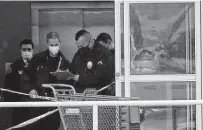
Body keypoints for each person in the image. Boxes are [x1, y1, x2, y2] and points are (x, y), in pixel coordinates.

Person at [26, 32, 72, 130]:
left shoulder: (65, 62)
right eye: (51, 45)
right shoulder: (38, 59)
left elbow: (69, 83)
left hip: (55, 104)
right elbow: (27, 76)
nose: (54, 47)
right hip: (38, 101)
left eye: (56, 44)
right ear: (47, 44)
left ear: (60, 43)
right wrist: (31, 89)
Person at [70, 30, 114, 94]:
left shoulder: (104, 54)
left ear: (90, 42)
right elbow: (73, 68)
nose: (79, 49)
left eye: (82, 46)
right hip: (79, 94)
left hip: (98, 95)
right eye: (78, 47)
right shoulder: (79, 53)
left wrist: (81, 78)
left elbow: (102, 77)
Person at [4, 39, 34, 129]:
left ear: (33, 50)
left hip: (35, 103)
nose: (26, 52)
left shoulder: (38, 64)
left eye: (29, 49)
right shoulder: (14, 66)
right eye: (24, 50)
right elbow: (7, 85)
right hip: (19, 103)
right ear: (20, 51)